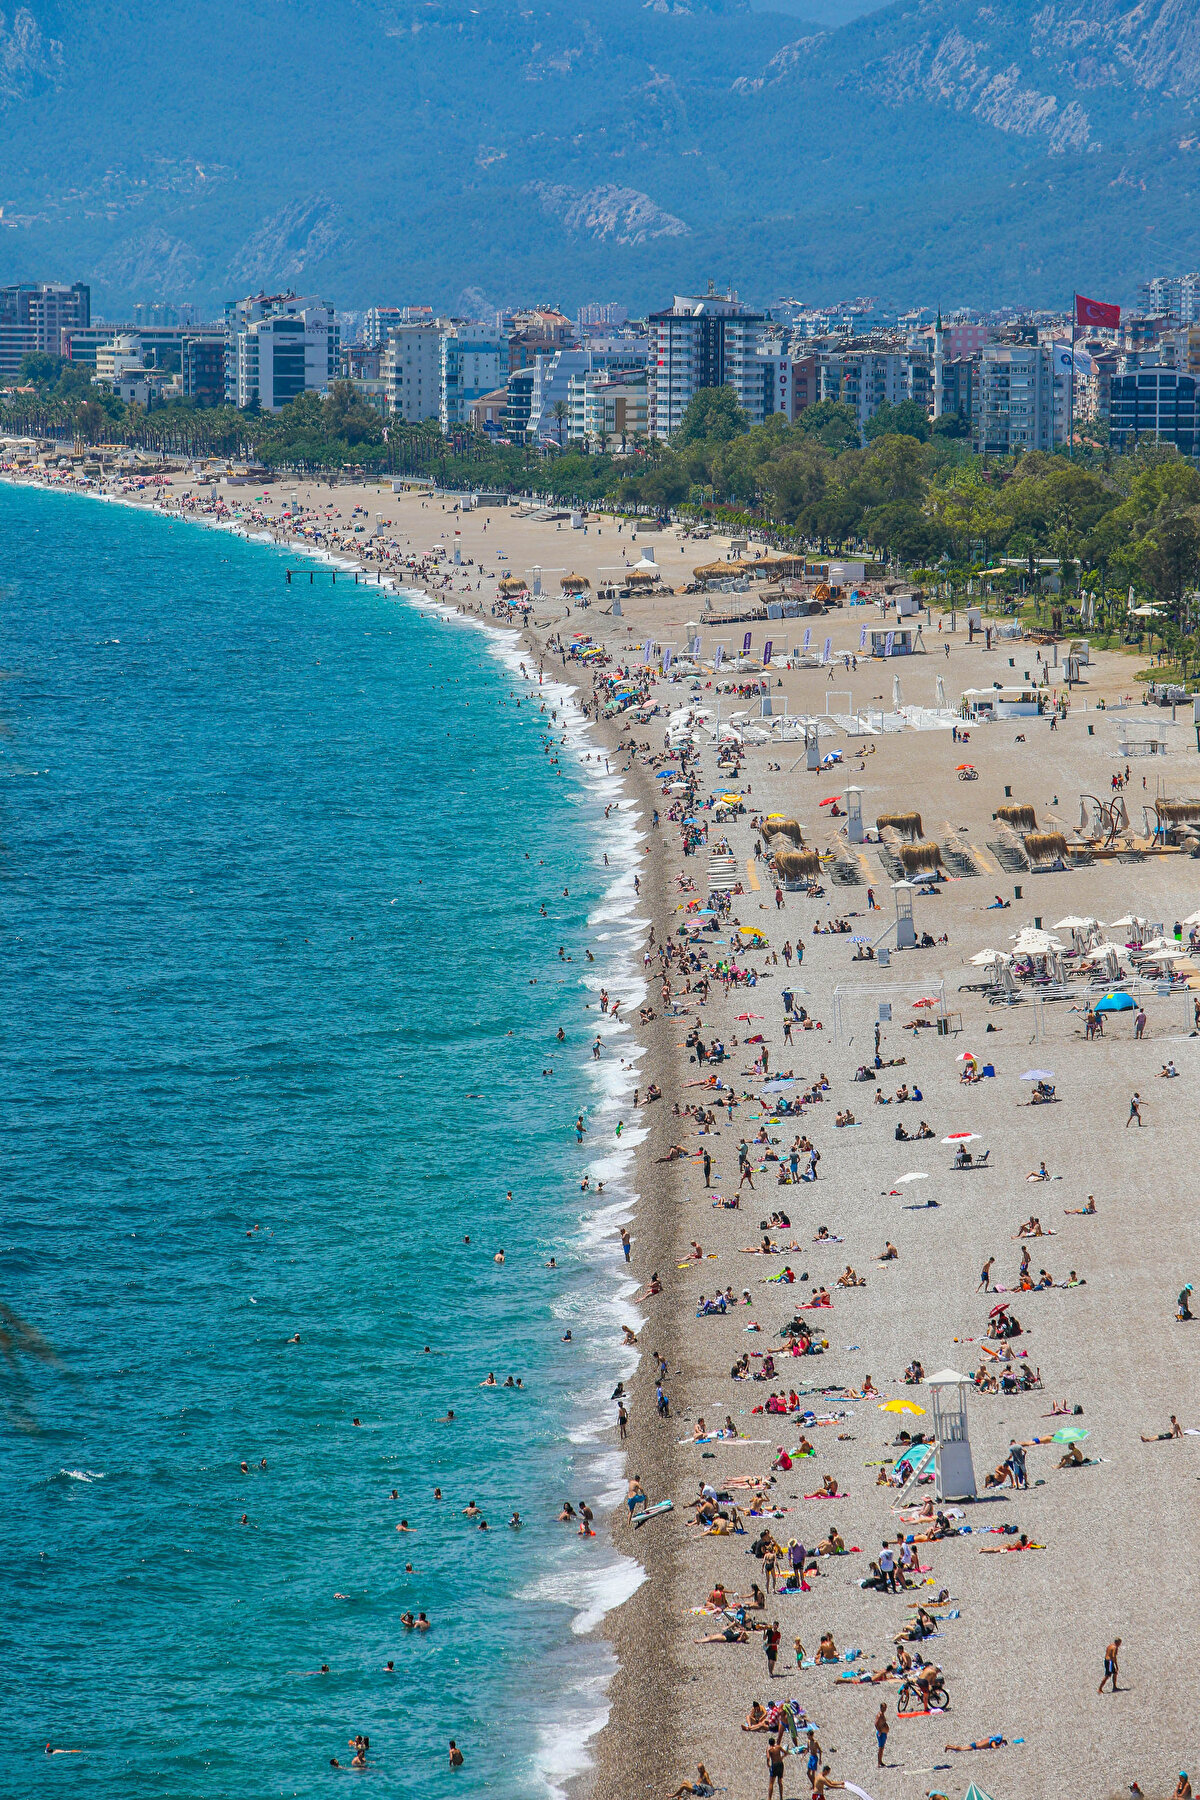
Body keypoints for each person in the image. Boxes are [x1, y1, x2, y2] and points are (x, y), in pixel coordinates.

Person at [875, 1701, 889, 1767]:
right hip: (881, 1733)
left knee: (882, 1748)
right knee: (880, 1748)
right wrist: (879, 1730)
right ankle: (878, 1762)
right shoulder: (879, 1715)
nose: (885, 1709)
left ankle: (881, 1761)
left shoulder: (882, 1714)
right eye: (884, 1708)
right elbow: (876, 1724)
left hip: (884, 1732)